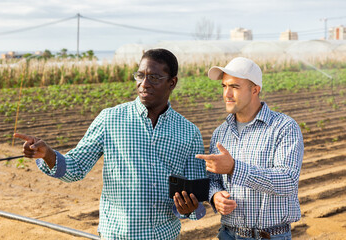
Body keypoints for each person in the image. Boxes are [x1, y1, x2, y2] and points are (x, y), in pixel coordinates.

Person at [14, 48, 206, 240]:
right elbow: (77, 166)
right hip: (116, 235)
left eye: (154, 77)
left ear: (172, 82)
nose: (144, 84)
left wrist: (188, 208)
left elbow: (195, 197)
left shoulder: (189, 133)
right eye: (140, 75)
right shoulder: (110, 119)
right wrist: (48, 154)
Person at [196, 57, 304, 240]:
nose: (226, 94)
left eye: (234, 87)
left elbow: (287, 181)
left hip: (270, 236)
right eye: (224, 86)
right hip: (228, 234)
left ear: (255, 90)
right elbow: (213, 180)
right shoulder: (221, 133)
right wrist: (215, 196)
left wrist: (233, 168)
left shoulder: (283, 127)